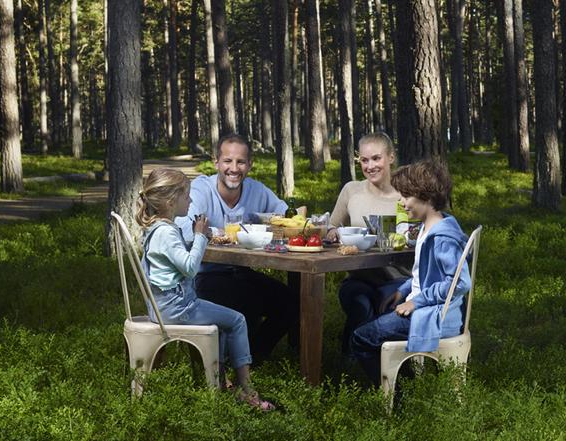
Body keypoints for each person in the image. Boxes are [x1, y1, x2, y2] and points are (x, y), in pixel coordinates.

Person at [136, 168, 275, 411]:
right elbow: (190, 267)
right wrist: (199, 237)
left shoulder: (158, 228)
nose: (190, 200)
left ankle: (219, 383)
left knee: (220, 327)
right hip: (178, 309)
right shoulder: (166, 232)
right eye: (186, 196)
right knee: (238, 320)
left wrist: (198, 239)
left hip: (163, 306)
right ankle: (247, 389)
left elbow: (173, 258)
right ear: (171, 201)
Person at [175, 134, 298, 363]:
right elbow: (184, 228)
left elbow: (285, 213)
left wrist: (320, 226)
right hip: (203, 276)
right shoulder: (201, 189)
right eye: (228, 161)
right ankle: (235, 360)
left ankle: (254, 355)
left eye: (240, 162)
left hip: (240, 272)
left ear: (249, 165)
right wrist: (216, 233)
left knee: (291, 302)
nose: (234, 168)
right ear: (216, 163)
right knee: (246, 302)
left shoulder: (256, 190)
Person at [349, 159, 471, 384]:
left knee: (360, 338)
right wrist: (403, 291)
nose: (402, 202)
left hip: (436, 318)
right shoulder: (430, 227)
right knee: (376, 316)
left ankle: (396, 396)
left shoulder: (442, 238)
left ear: (427, 197)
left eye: (406, 196)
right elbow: (423, 275)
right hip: (428, 310)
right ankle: (404, 379)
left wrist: (416, 302)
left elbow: (460, 282)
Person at [326, 133, 411, 356]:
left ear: (391, 157)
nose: (370, 166)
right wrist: (333, 232)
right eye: (364, 160)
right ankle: (349, 366)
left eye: (376, 158)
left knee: (384, 315)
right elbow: (331, 226)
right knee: (360, 306)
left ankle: (388, 369)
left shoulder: (407, 195)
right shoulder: (352, 190)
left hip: (398, 281)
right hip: (357, 279)